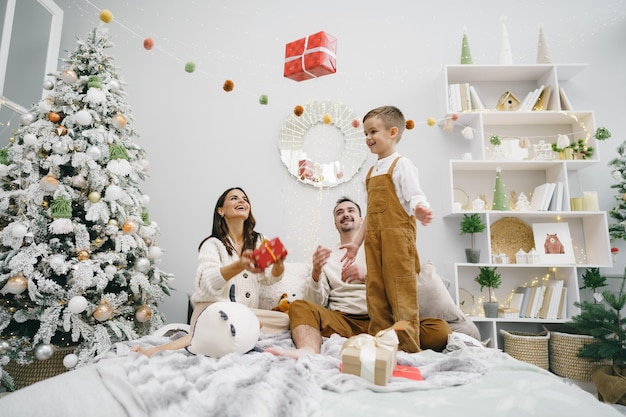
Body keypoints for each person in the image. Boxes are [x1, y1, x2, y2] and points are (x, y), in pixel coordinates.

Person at [267, 197, 449, 359]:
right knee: (299, 306)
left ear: (362, 220)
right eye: (340, 213)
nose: (345, 214)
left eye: (350, 210)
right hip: (343, 322)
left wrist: (367, 277)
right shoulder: (327, 256)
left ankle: (379, 344)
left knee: (439, 329)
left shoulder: (381, 250)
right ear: (335, 224)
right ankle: (308, 350)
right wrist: (316, 273)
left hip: (384, 321)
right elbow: (316, 302)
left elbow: (401, 290)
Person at [132, 187, 287, 357]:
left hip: (245, 314)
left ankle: (243, 329)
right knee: (223, 324)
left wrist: (279, 264)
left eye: (245, 199)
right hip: (211, 310)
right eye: (234, 198)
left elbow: (269, 279)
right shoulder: (212, 244)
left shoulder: (258, 240)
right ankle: (155, 350)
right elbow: (208, 283)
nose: (242, 201)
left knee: (286, 321)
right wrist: (239, 265)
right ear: (221, 210)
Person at [341, 106, 433, 353]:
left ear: (393, 132)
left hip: (398, 243)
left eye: (373, 131)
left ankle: (409, 350)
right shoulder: (370, 173)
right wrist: (356, 243)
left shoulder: (401, 164)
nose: (368, 137)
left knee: (401, 296)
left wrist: (421, 209)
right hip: (374, 244)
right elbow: (370, 215)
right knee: (376, 295)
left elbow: (415, 195)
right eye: (365, 133)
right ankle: (380, 348)